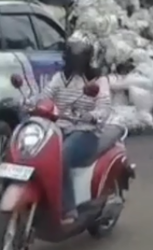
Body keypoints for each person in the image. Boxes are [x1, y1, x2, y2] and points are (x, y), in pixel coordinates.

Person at [38, 39, 112, 222]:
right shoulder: (60, 78)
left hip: (85, 132)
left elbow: (104, 106)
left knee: (60, 157)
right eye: (73, 59)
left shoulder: (98, 80)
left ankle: (68, 208)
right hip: (58, 129)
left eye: (80, 60)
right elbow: (45, 96)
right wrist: (31, 104)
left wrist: (93, 115)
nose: (76, 64)